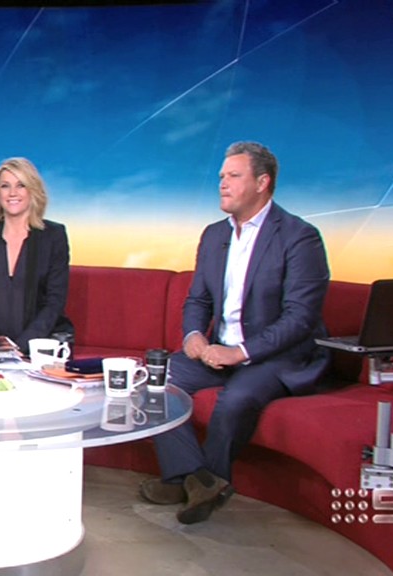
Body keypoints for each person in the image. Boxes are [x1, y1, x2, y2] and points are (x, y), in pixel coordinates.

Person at [139, 142, 330, 524]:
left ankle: (193, 481)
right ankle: (196, 480)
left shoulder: (299, 236)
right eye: (221, 176)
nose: (222, 184)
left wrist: (240, 352)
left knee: (236, 400)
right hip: (218, 350)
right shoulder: (214, 235)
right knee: (152, 382)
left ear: (262, 182)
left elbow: (300, 318)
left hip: (276, 356)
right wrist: (194, 335)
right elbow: (198, 299)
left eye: (233, 176)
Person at [0, 157, 72, 352]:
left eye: (21, 185)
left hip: (38, 346)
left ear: (32, 190)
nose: (12, 193)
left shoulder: (53, 236)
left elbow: (54, 302)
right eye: (5, 186)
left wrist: (18, 348)